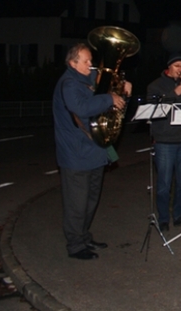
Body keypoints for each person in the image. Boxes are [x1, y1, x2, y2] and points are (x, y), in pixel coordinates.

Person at [52, 43, 131, 260]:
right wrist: (108, 98)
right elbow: (82, 107)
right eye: (86, 61)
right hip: (76, 155)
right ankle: (75, 246)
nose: (91, 65)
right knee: (76, 203)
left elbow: (109, 104)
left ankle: (84, 236)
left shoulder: (87, 80)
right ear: (72, 63)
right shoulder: (69, 84)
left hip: (94, 152)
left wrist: (122, 89)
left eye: (91, 60)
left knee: (90, 201)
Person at [146, 54, 181, 232]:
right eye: (177, 66)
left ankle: (179, 215)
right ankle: (163, 218)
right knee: (164, 184)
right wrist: (173, 94)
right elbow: (154, 110)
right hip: (165, 141)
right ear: (168, 67)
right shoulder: (155, 86)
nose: (180, 69)